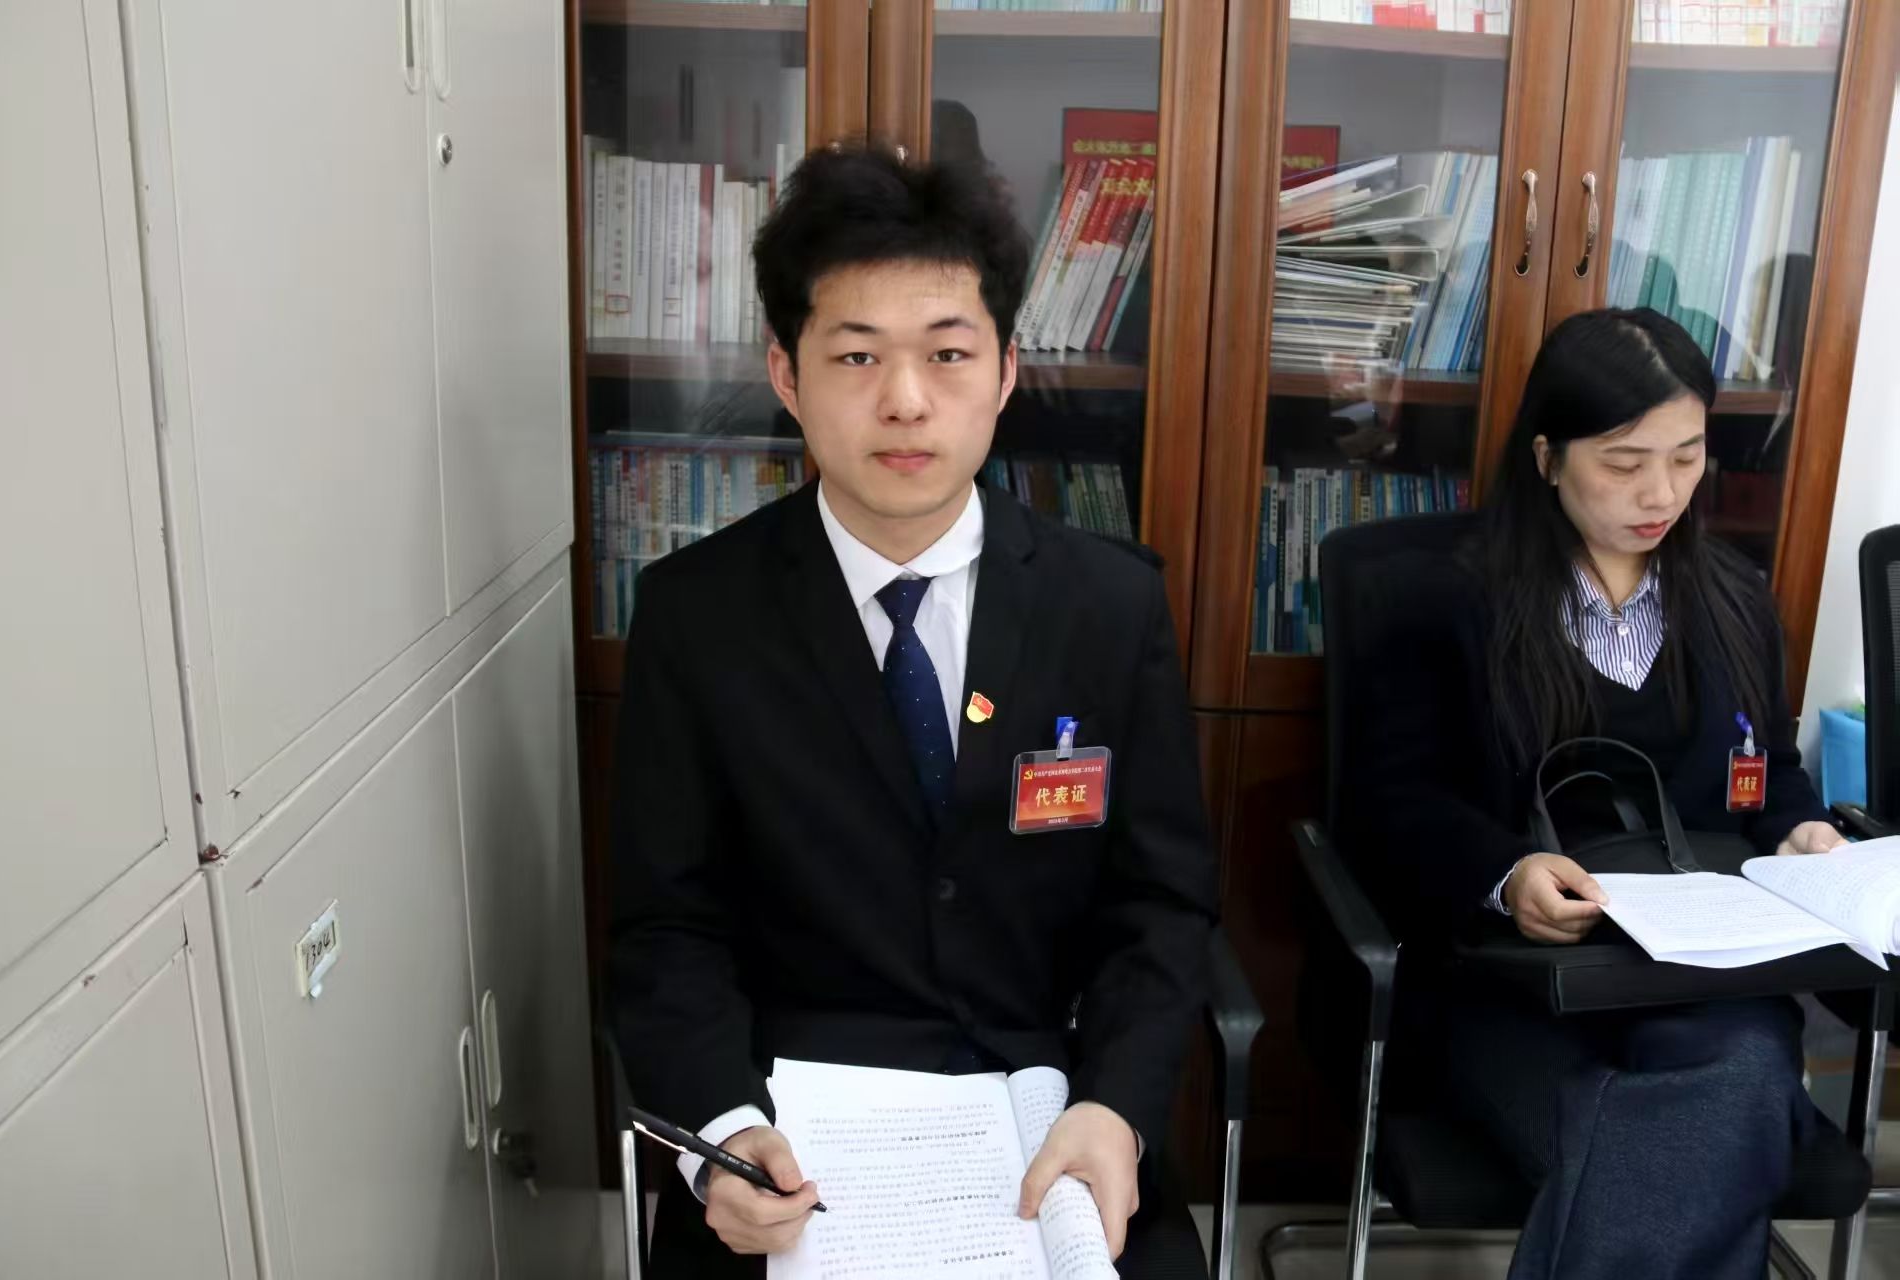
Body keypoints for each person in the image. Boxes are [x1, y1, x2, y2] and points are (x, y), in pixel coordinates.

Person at [608, 142, 1217, 1278]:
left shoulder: (1109, 604)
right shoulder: (697, 615)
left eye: (947, 353)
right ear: (787, 374)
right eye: (856, 355)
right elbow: (666, 929)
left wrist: (1119, 1108)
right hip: (790, 1134)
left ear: (1005, 370)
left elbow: (1161, 906)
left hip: (1043, 1109)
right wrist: (723, 1134)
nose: (904, 399)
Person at [1337, 307, 1846, 1280]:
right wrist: (1507, 873)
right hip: (1518, 991)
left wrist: (1804, 832)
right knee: (1712, 1128)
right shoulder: (1447, 598)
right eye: (1624, 462)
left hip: (1706, 988)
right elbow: (1391, 802)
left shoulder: (1735, 599)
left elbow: (1769, 772)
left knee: (1717, 1090)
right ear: (1548, 457)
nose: (1662, 492)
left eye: (1688, 457)